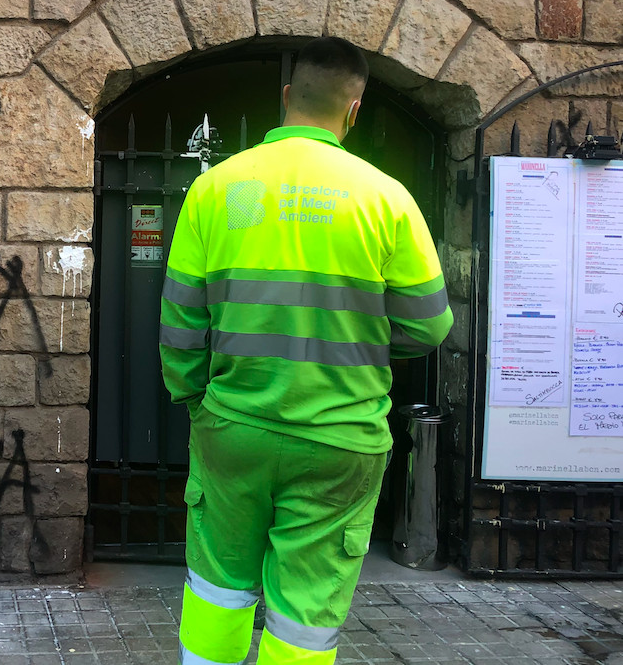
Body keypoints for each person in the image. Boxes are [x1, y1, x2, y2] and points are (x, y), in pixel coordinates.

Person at [160, 37, 453, 665]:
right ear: (353, 112)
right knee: (305, 612)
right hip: (340, 436)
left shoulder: (217, 190)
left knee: (217, 585)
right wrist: (357, 342)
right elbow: (429, 327)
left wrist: (193, 396)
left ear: (287, 96)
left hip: (234, 424)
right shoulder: (387, 198)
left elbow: (182, 319)